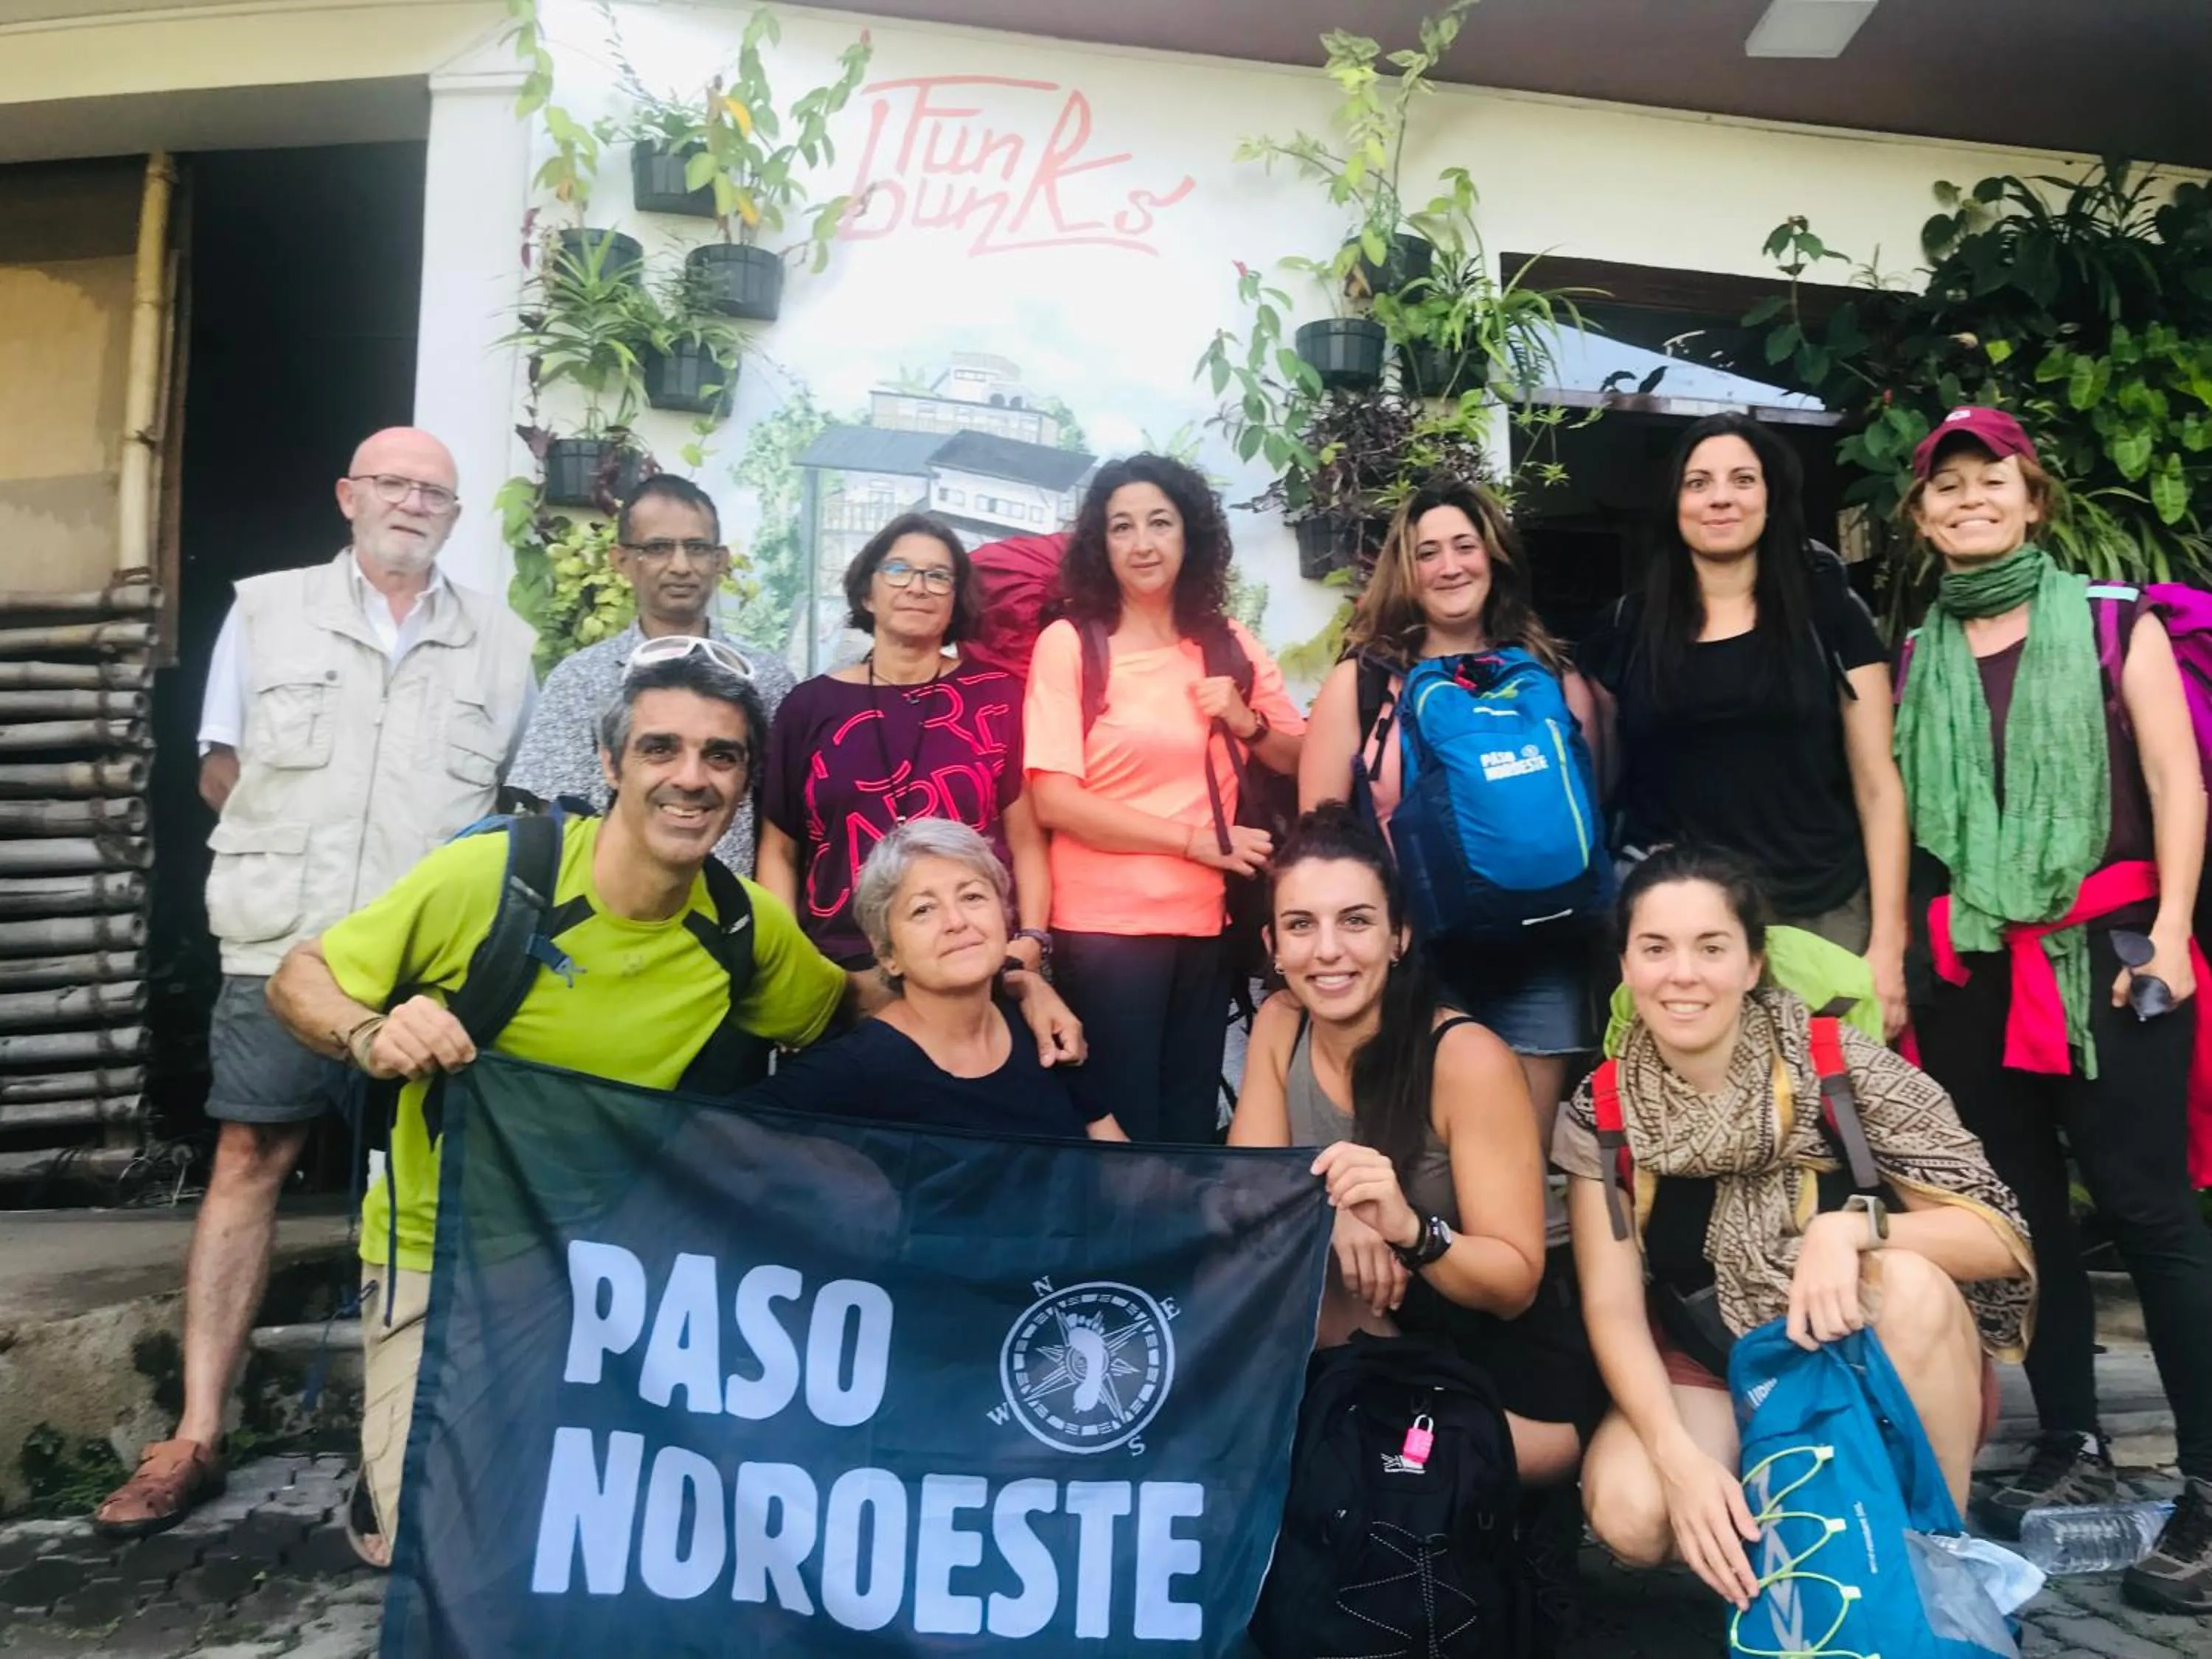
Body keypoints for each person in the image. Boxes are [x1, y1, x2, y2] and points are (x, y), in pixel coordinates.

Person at [260, 644, 1083, 1566]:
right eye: (661, 750)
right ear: (611, 764)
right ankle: (392, 1497)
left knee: (612, 1542)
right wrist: (372, 1034)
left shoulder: (743, 925)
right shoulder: (492, 881)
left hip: (622, 1275)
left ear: (743, 783)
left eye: (721, 757)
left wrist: (1015, 986)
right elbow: (303, 978)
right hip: (444, 1254)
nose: (691, 779)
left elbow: (877, 1002)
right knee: (447, 1550)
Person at [94, 427, 538, 1540]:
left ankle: (405, 1443)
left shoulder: (501, 640)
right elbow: (220, 767)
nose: (413, 503)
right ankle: (193, 1435)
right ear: (347, 495)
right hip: (283, 941)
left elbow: (511, 809)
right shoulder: (269, 608)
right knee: (251, 1156)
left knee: (438, 1188)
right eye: (393, 483)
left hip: (428, 965)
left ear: (455, 512)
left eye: (435, 490)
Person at [1897, 405, 2212, 1611]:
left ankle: (2206, 1489)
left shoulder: (2111, 622)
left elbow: (2177, 783)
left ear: (2033, 498)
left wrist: (2176, 931)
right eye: (1948, 487)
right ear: (1924, 519)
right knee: (2022, 1219)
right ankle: (2072, 1444)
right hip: (1978, 962)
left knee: (2150, 1212)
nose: (1970, 498)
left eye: (1993, 480)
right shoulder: (1925, 657)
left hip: (2114, 955)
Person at [1558, 846, 2033, 1610]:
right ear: (1626, 965)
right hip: (1717, 1364)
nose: (1683, 974)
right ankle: (1802, 1564)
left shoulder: (1839, 1062)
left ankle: (1935, 1569)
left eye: (1711, 947)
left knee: (1910, 1280)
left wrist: (1850, 1231)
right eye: (1656, 948)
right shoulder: (1604, 1113)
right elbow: (1612, 1308)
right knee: (1632, 1511)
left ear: (1752, 964)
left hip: (1869, 1356)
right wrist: (1681, 1463)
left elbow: (1998, 1236)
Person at [1228, 804, 1602, 1486]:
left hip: (1500, 1378)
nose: (1328, 950)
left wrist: (1407, 1228)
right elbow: (1250, 1200)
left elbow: (1514, 1287)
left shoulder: (1465, 1058)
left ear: (1399, 935)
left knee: (1359, 1467)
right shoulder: (1281, 1024)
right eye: (1301, 926)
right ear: (1275, 947)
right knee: (1268, 1370)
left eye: (1356, 921)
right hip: (1373, 1348)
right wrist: (1334, 1212)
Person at [1299, 476, 1600, 1188]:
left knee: (1517, 1173)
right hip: (1415, 966)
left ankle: (1508, 1293)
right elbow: (1320, 836)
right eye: (1428, 552)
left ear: (1493, 556)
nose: (1449, 565)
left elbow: (1592, 808)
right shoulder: (1365, 683)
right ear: (1407, 571)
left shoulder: (1553, 677)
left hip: (1541, 954)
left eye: (1465, 546)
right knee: (1410, 1169)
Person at [1580, 413, 1910, 1036]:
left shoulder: (1829, 612)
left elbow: (1878, 783)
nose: (1721, 498)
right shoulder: (1627, 627)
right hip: (1684, 927)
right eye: (1698, 482)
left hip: (1822, 906)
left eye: (1742, 479)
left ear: (1770, 496)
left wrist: (1888, 948)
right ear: (1675, 501)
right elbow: (1598, 780)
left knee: (1833, 1118)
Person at [1024, 453, 1307, 1142]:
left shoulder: (1227, 643)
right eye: (1122, 527)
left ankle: (1178, 1249)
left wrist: (1246, 720)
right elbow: (1054, 799)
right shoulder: (1072, 644)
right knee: (1122, 1126)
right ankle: (1126, 1250)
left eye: (1160, 523)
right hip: (1106, 931)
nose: (1142, 543)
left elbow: (1299, 756)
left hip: (1208, 924)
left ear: (1191, 535)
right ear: (1100, 542)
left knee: (1186, 1126)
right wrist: (1190, 842)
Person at [758, 515, 1048, 972]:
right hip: (839, 967)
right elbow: (779, 850)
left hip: (971, 958)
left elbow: (1027, 839)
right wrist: (793, 963)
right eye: (898, 570)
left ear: (956, 601)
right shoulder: (809, 706)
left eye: (938, 576)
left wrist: (1030, 940)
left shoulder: (998, 697)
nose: (918, 587)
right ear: (867, 592)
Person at [742, 818, 1123, 1140]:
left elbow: (1122, 1170)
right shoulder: (853, 1068)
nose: (957, 921)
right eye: (923, 910)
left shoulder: (1043, 1032)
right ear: (888, 954)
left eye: (973, 897)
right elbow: (721, 1145)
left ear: (1004, 914)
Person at [507, 473, 796, 874]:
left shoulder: (765, 680)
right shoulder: (581, 680)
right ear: (622, 561)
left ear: (720, 561)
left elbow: (784, 825)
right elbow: (556, 818)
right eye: (658, 548)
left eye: (697, 548)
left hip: (728, 916)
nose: (681, 566)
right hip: (605, 912)